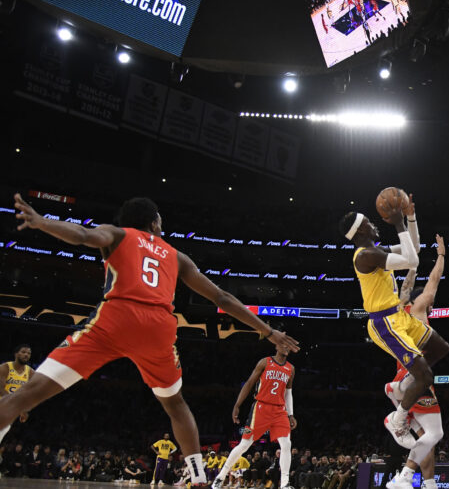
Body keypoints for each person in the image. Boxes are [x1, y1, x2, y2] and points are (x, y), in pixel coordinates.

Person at [1, 194, 299, 486]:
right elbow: (221, 297)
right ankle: (197, 477)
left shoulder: (117, 234)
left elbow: (80, 235)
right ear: (155, 223)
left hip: (116, 319)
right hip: (158, 328)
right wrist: (268, 331)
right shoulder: (175, 255)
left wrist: (42, 222)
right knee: (175, 405)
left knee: (26, 394)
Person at [340, 197, 449, 455]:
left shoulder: (376, 250)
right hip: (384, 323)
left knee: (440, 348)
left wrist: (410, 218)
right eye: (368, 221)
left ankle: (399, 388)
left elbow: (414, 249)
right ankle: (398, 419)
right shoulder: (366, 256)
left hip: (399, 315)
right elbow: (412, 261)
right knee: (426, 376)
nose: (374, 223)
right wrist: (399, 223)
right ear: (360, 231)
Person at [384, 234, 447, 489]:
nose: (433, 300)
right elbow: (433, 280)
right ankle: (405, 475)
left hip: (406, 379)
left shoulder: (401, 311)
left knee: (428, 438)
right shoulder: (420, 309)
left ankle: (428, 484)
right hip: (415, 380)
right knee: (436, 434)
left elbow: (406, 288)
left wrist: (411, 265)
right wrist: (441, 255)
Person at [213, 343, 296, 489]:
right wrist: (237, 405)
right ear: (276, 346)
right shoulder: (265, 362)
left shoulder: (291, 368)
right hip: (260, 408)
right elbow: (250, 382)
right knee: (244, 445)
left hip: (279, 411)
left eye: (289, 346)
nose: (287, 348)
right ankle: (221, 476)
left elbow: (288, 393)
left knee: (286, 444)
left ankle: (285, 483)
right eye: (284, 344)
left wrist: (291, 414)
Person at [0, 344, 34, 443]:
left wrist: (25, 409)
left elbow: (30, 394)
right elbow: (1, 389)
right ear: (16, 354)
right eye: (23, 352)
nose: (26, 355)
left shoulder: (30, 373)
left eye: (28, 353)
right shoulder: (5, 367)